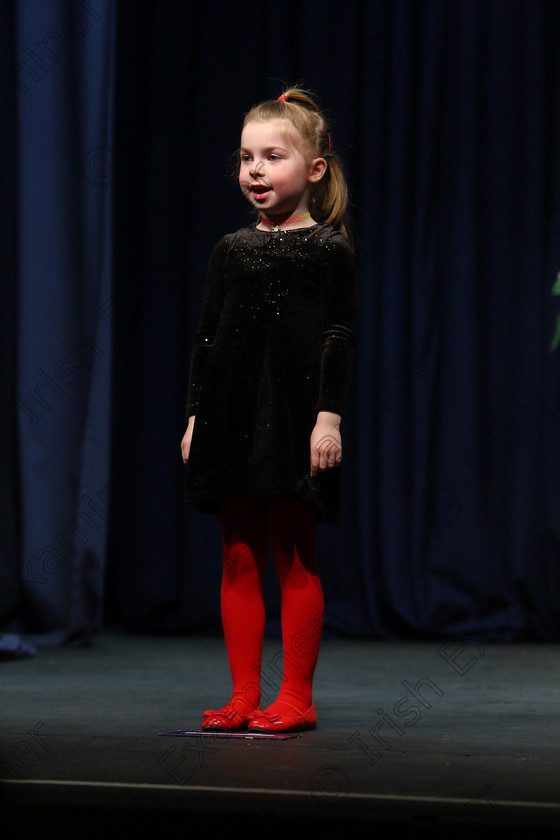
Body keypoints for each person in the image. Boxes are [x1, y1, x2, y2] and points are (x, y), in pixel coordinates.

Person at [181, 87, 358, 733]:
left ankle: (297, 698)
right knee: (236, 552)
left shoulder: (327, 249)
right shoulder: (231, 249)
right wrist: (197, 416)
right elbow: (207, 339)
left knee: (292, 549)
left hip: (291, 417)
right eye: (246, 158)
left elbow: (338, 336)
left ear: (313, 169)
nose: (255, 170)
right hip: (229, 415)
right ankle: (243, 694)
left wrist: (328, 418)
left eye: (272, 156)